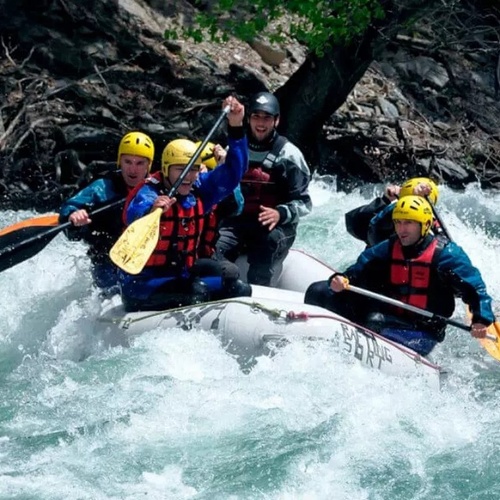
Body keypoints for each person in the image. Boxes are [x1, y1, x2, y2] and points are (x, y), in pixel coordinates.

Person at [305, 196, 495, 356]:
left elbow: (475, 288)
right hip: (388, 315)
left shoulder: (447, 255)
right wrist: (343, 279)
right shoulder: (389, 246)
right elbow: (360, 268)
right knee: (319, 291)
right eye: (398, 222)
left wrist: (481, 319)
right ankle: (308, 343)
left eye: (409, 223)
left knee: (374, 320)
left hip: (422, 330)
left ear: (425, 225)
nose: (402, 229)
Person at [119, 96, 251, 312]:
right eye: (181, 170)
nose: (188, 177)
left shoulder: (199, 190)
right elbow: (134, 214)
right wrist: (152, 210)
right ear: (166, 169)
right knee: (197, 291)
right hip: (141, 285)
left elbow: (233, 173)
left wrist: (236, 127)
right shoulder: (148, 193)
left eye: (192, 169)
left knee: (236, 287)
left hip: (182, 274)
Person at [214, 91, 312, 286]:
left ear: (276, 121)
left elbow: (305, 203)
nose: (261, 123)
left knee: (267, 242)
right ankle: (220, 290)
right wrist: (220, 167)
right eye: (256, 117)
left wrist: (279, 214)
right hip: (239, 222)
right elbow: (220, 189)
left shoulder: (290, 155)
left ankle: (258, 293)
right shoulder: (235, 150)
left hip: (276, 227)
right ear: (249, 119)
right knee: (214, 245)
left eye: (266, 118)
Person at [59, 131, 155, 293]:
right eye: (127, 162)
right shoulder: (102, 187)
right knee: (114, 288)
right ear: (120, 162)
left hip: (145, 259)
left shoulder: (156, 188)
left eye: (140, 163)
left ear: (148, 166)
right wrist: (73, 215)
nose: (133, 169)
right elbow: (69, 207)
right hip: (106, 259)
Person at [345, 177, 443, 247]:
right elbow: (354, 225)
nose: (402, 226)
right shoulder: (388, 217)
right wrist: (384, 201)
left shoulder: (435, 227)